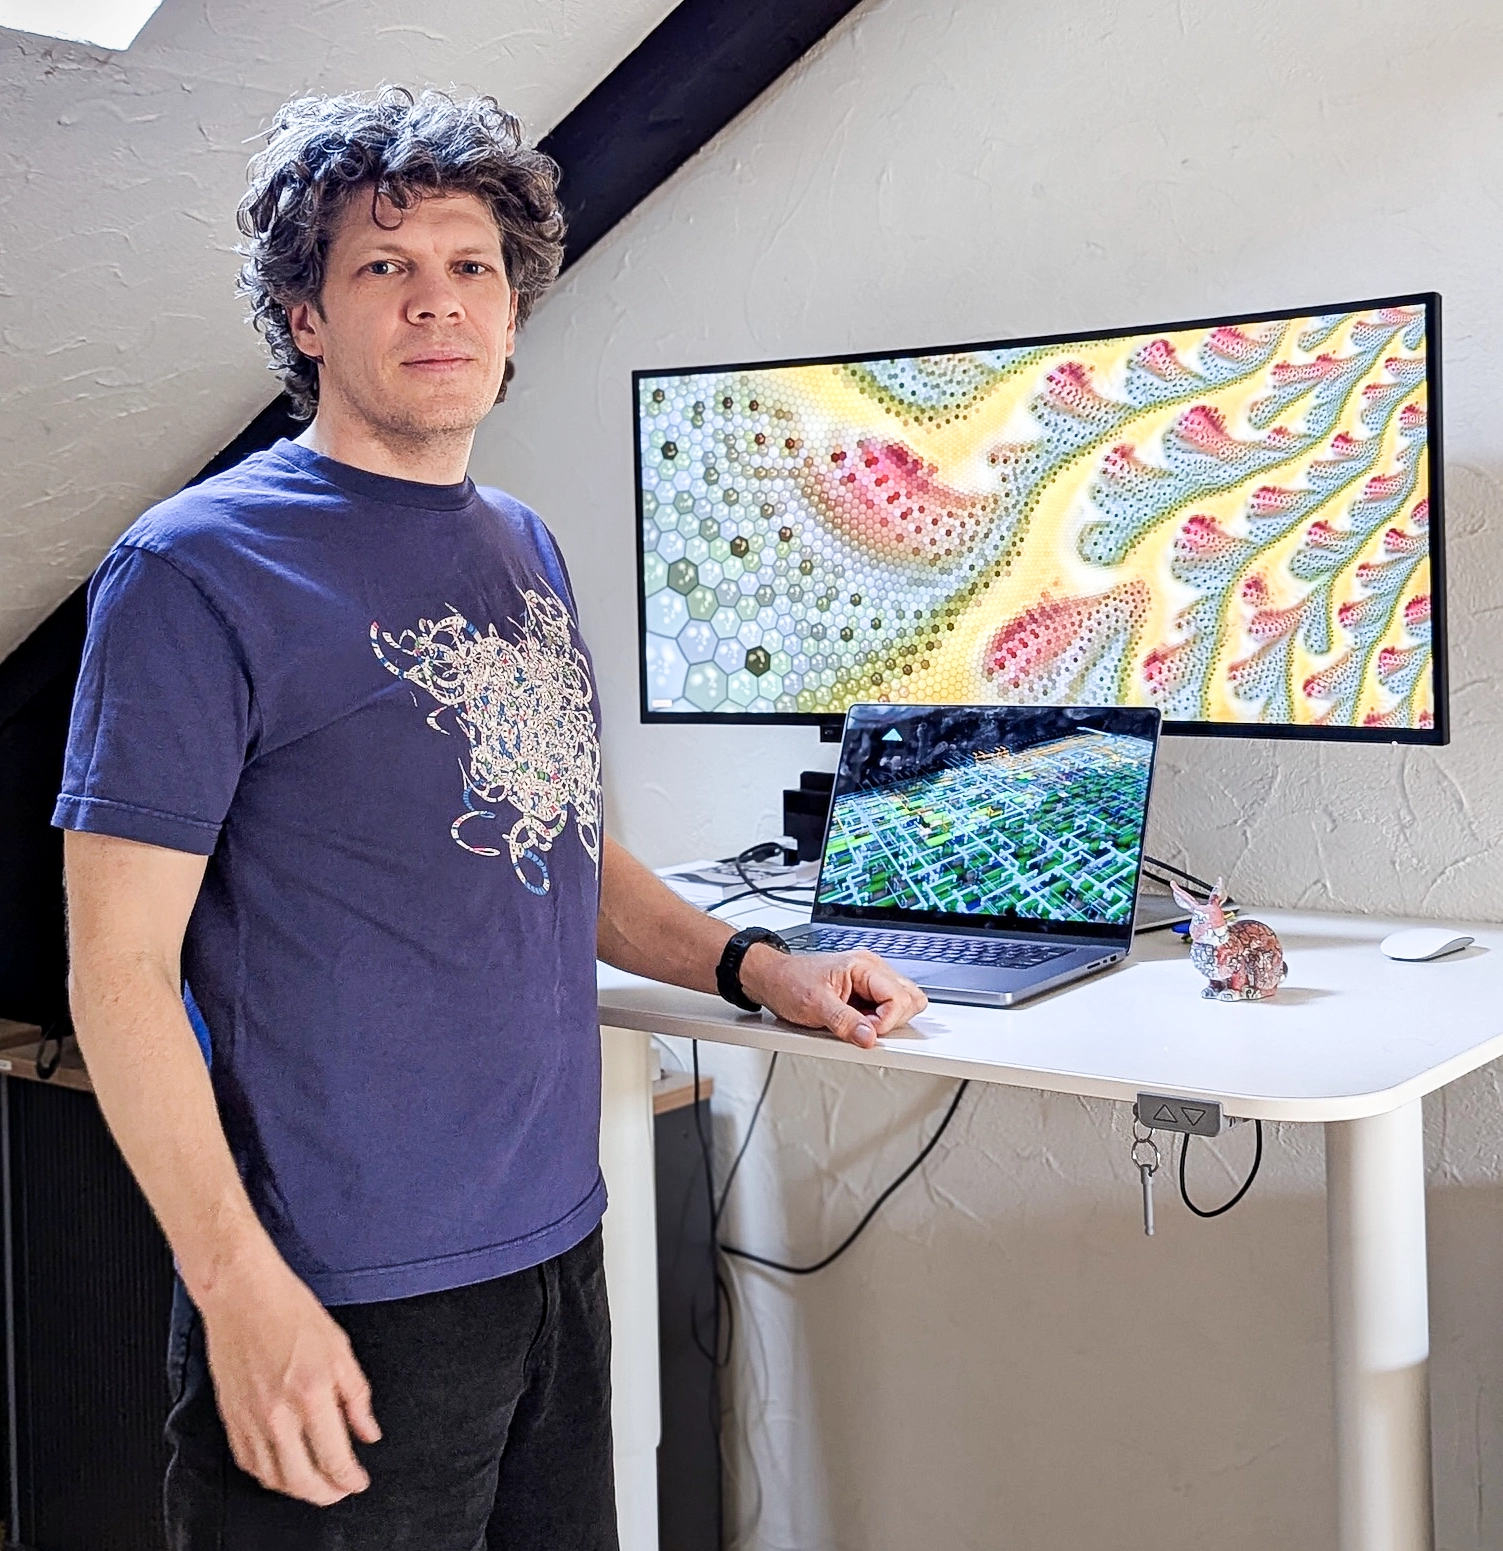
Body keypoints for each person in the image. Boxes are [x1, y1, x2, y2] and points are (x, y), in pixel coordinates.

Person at [54, 87, 926, 1551]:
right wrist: (239, 1289)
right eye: (383, 266)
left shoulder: (519, 543)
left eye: (471, 266)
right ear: (305, 317)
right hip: (339, 1284)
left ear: (512, 310)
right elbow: (117, 968)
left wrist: (756, 965)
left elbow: (561, 843)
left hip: (552, 1249)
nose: (437, 301)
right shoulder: (194, 570)